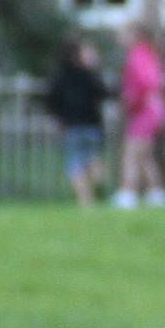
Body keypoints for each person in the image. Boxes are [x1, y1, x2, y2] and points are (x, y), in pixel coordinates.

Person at [43, 38, 112, 207]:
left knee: (75, 162)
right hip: (92, 125)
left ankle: (86, 201)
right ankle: (98, 182)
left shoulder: (60, 77)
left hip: (71, 126)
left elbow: (51, 102)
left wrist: (60, 118)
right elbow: (103, 93)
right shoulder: (89, 75)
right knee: (93, 157)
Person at [114, 17, 165, 209]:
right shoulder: (148, 54)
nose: (119, 37)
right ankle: (156, 193)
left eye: (122, 33)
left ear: (135, 35)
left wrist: (129, 100)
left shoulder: (136, 55)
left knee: (131, 153)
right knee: (145, 155)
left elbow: (145, 83)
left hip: (144, 111)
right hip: (154, 109)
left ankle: (127, 193)